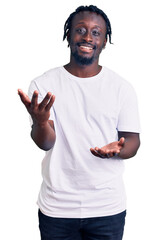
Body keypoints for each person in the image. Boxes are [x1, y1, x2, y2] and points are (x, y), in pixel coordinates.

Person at [18, 5, 140, 240]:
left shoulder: (121, 88)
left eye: (96, 32)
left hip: (107, 207)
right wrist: (41, 122)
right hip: (57, 208)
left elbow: (133, 141)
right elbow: (45, 143)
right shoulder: (43, 84)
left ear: (105, 41)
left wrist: (118, 149)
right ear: (68, 36)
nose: (87, 37)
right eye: (80, 30)